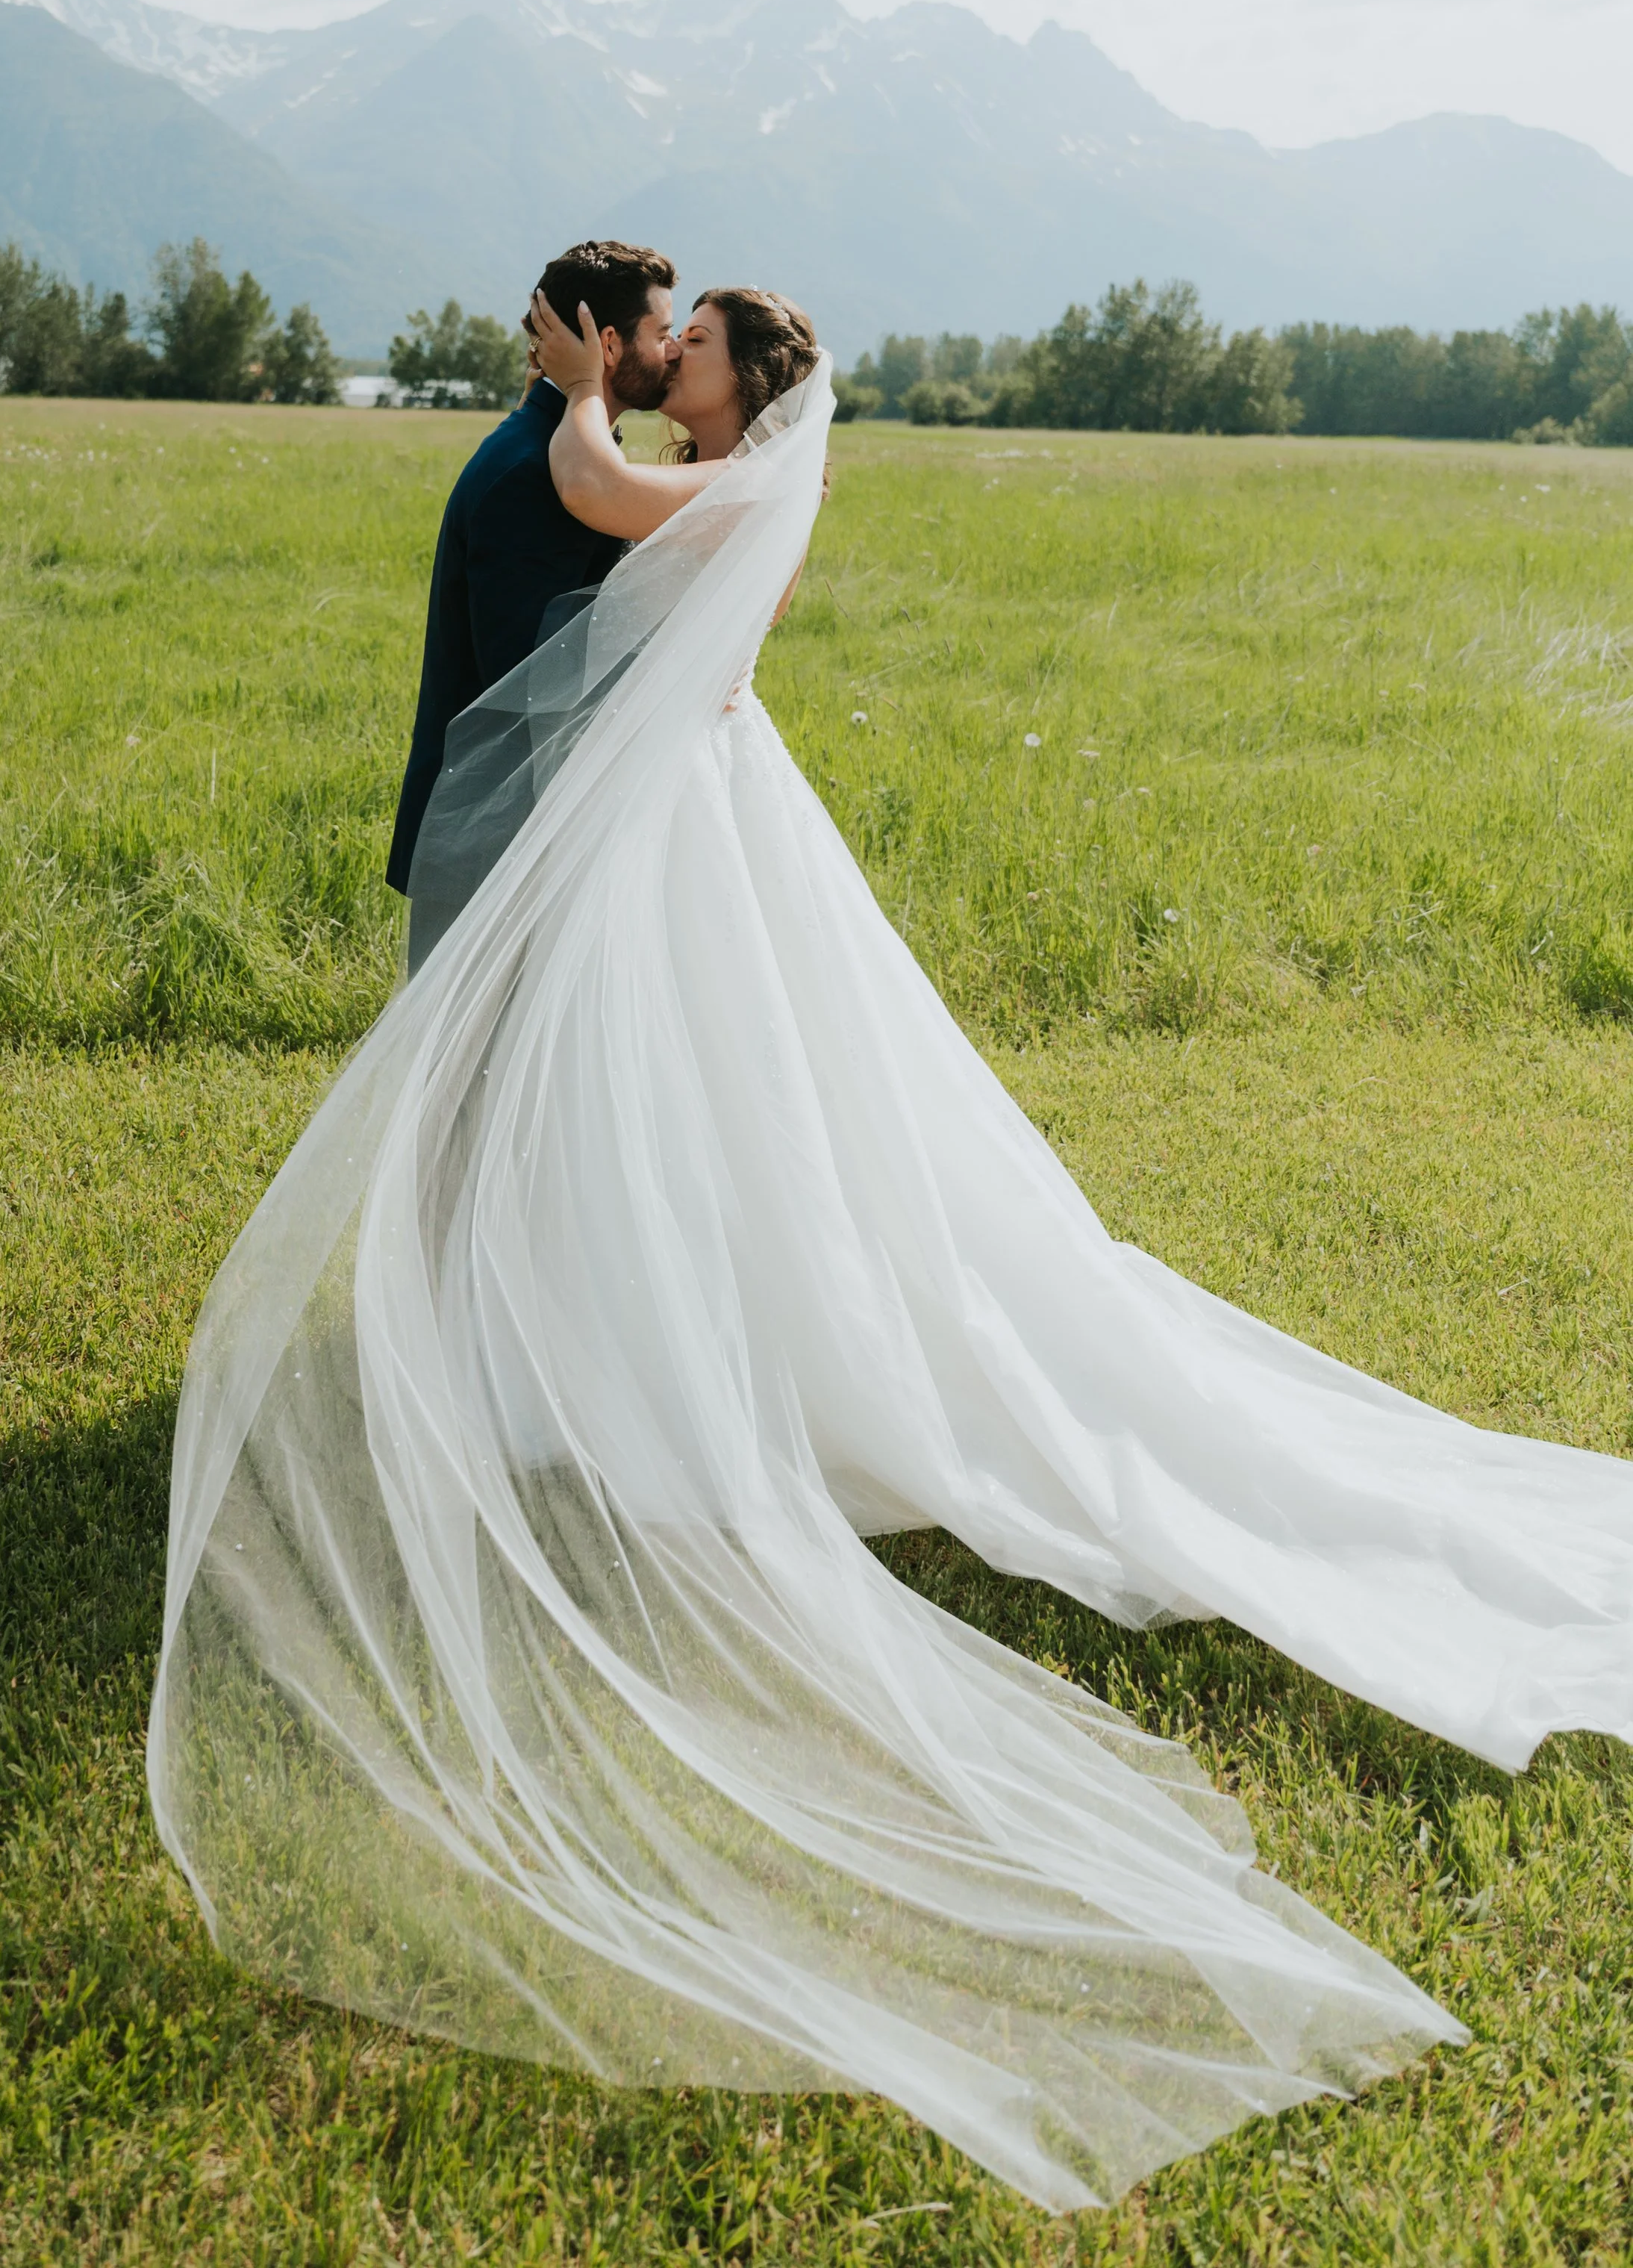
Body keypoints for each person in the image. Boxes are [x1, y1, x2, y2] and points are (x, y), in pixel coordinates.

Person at [151, 290, 1632, 2213]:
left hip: (680, 834)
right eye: (652, 344)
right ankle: (590, 1335)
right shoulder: (737, 480)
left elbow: (587, 476)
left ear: (737, 383)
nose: (657, 359)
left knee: (698, 1117)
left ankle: (636, 1367)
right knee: (699, 1126)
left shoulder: (704, 482)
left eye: (681, 348)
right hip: (685, 826)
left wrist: (564, 376)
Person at [383, 238, 678, 896]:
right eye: (662, 332)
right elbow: (525, 678)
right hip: (496, 836)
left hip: (533, 820)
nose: (674, 348)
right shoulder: (531, 473)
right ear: (608, 343)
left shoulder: (557, 447)